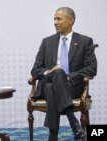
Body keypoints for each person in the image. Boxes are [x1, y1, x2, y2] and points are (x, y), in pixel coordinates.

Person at [31, 7, 97, 141]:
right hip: (47, 81)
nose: (55, 22)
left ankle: (53, 136)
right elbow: (35, 69)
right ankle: (74, 124)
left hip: (71, 87)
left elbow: (91, 68)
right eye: (54, 19)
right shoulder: (47, 42)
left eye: (59, 19)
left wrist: (68, 76)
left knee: (52, 87)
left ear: (71, 20)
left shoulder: (85, 41)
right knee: (56, 74)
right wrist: (50, 72)